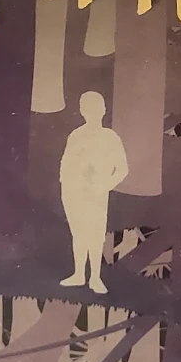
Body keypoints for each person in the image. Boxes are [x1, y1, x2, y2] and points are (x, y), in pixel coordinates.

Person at [59, 91, 128, 295]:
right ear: (82, 111)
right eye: (87, 108)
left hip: (97, 194)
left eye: (96, 108)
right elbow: (65, 164)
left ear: (103, 110)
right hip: (74, 193)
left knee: (96, 235)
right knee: (79, 234)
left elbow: (122, 169)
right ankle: (79, 274)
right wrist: (67, 188)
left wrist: (104, 185)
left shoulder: (110, 138)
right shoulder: (76, 135)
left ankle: (95, 278)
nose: (92, 112)